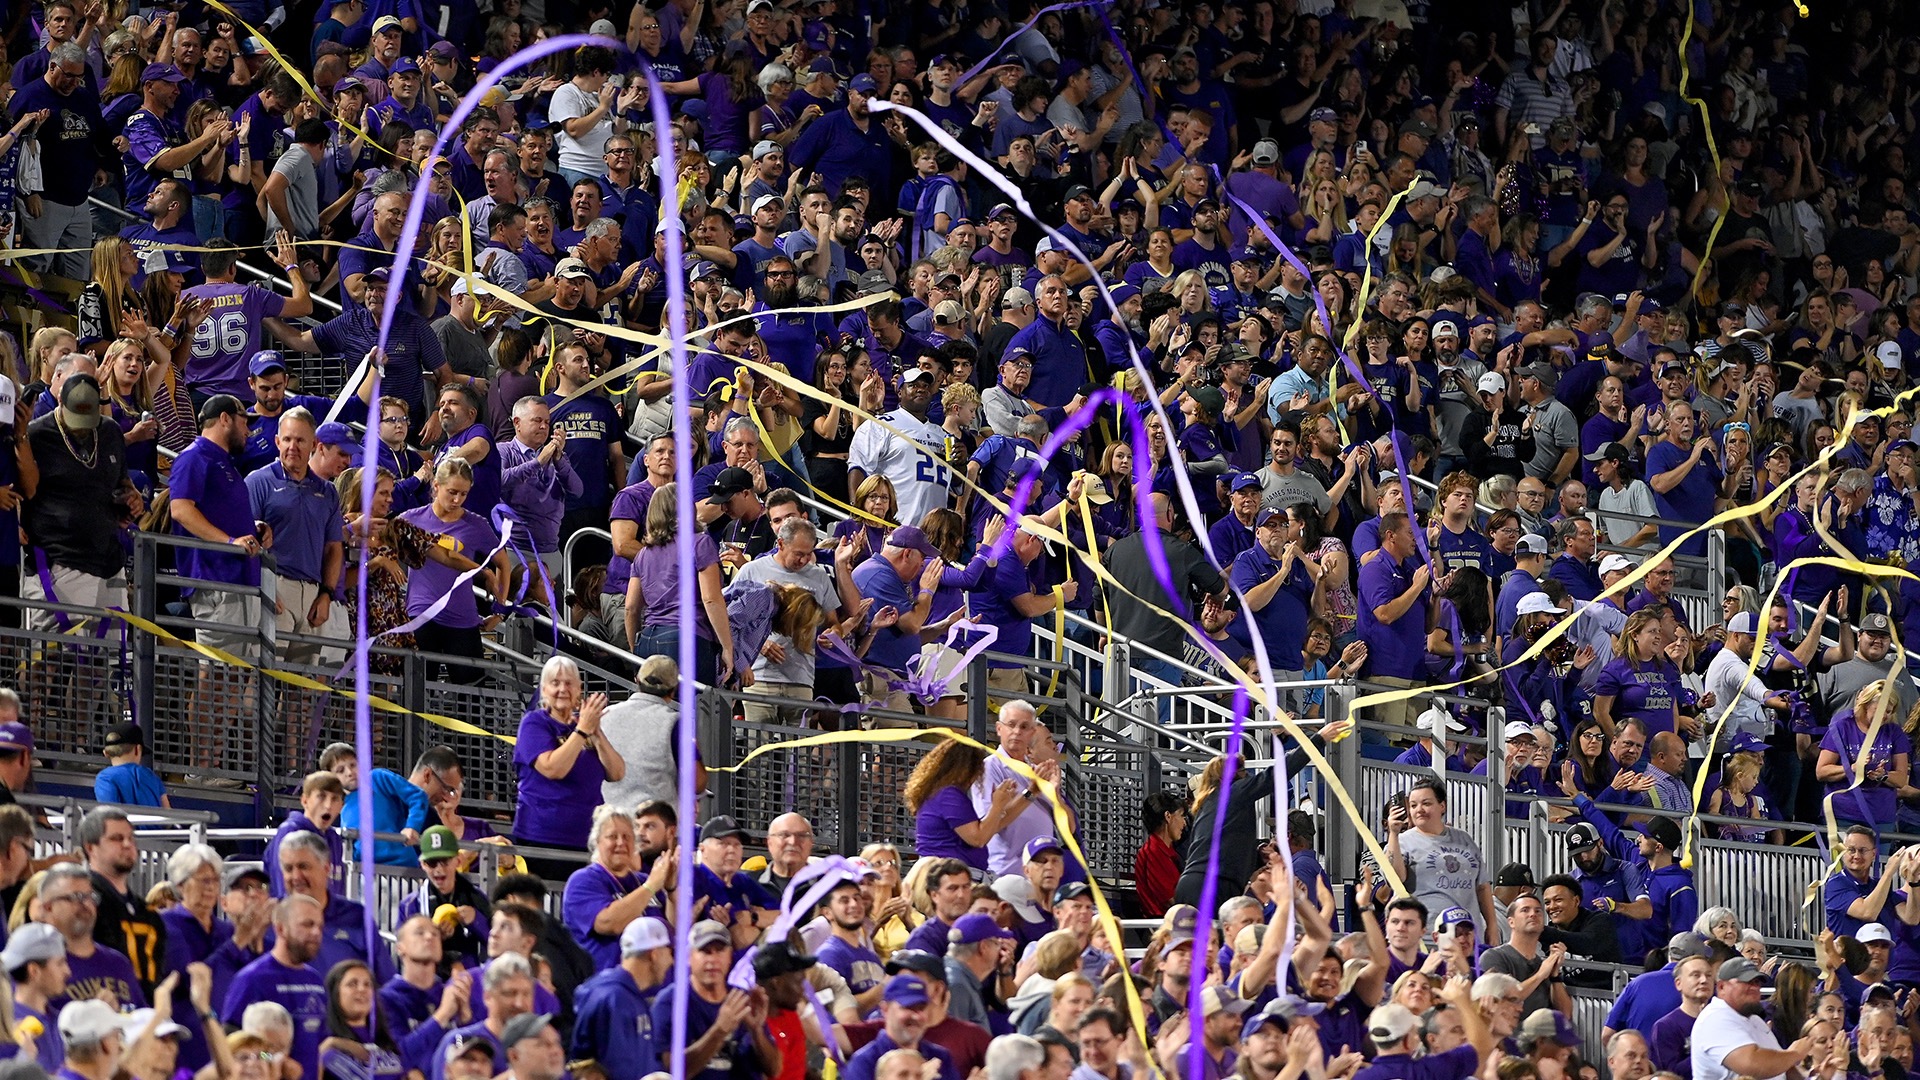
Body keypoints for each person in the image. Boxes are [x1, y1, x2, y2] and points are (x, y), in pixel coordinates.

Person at [512, 656, 622, 876]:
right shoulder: (534, 723)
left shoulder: (586, 725)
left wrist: (597, 733)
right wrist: (582, 731)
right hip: (540, 839)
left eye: (569, 683)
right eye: (555, 683)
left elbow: (617, 773)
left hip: (587, 839)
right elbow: (553, 768)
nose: (563, 689)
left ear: (579, 689)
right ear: (543, 690)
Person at [221, 895, 328, 1080]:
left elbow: (318, 1045)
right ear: (280, 928)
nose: (316, 932)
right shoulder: (253, 978)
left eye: (320, 926)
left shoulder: (315, 980)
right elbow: (231, 1044)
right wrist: (274, 1059)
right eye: (307, 925)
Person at [570, 916, 671, 1080]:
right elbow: (619, 1070)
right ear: (654, 955)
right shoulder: (615, 999)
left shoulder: (630, 995)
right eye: (669, 952)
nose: (671, 961)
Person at [1691, 958, 1812, 1080]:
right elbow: (1752, 1065)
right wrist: (1795, 1054)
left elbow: (1783, 1068)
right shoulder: (1715, 1018)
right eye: (1747, 982)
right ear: (1722, 987)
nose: (1754, 987)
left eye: (1756, 982)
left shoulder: (1753, 1019)